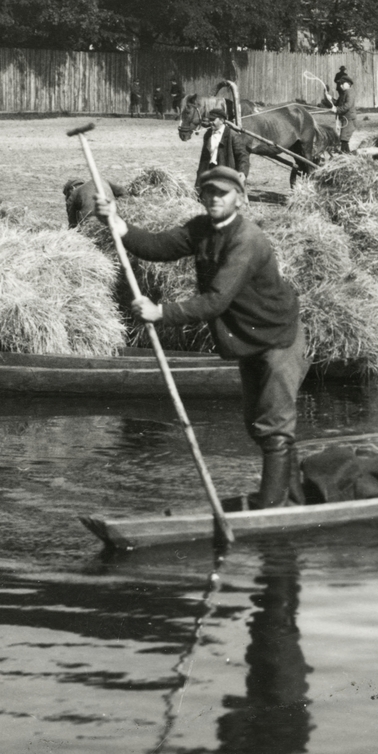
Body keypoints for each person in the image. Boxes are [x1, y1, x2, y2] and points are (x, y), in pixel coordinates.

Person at [98, 166, 307, 508]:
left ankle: (272, 509)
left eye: (221, 194)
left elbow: (216, 300)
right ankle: (293, 498)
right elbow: (158, 246)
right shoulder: (202, 228)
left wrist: (161, 312)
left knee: (274, 424)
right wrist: (119, 225)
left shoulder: (246, 240)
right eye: (208, 192)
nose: (213, 199)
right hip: (248, 338)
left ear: (239, 199)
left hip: (278, 338)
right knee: (259, 422)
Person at [197, 107, 250, 179]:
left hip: (227, 173)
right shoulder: (208, 134)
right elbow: (203, 159)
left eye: (213, 120)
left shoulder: (232, 135)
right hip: (210, 172)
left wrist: (243, 172)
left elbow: (243, 156)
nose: (210, 122)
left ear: (221, 120)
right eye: (210, 120)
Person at [334, 72, 357, 151]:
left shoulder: (349, 92)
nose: (340, 85)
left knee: (344, 139)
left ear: (348, 84)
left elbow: (348, 105)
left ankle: (345, 155)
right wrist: (329, 98)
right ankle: (347, 155)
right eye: (340, 84)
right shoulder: (343, 93)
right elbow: (337, 103)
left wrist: (337, 109)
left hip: (349, 119)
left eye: (342, 84)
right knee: (344, 139)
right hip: (345, 119)